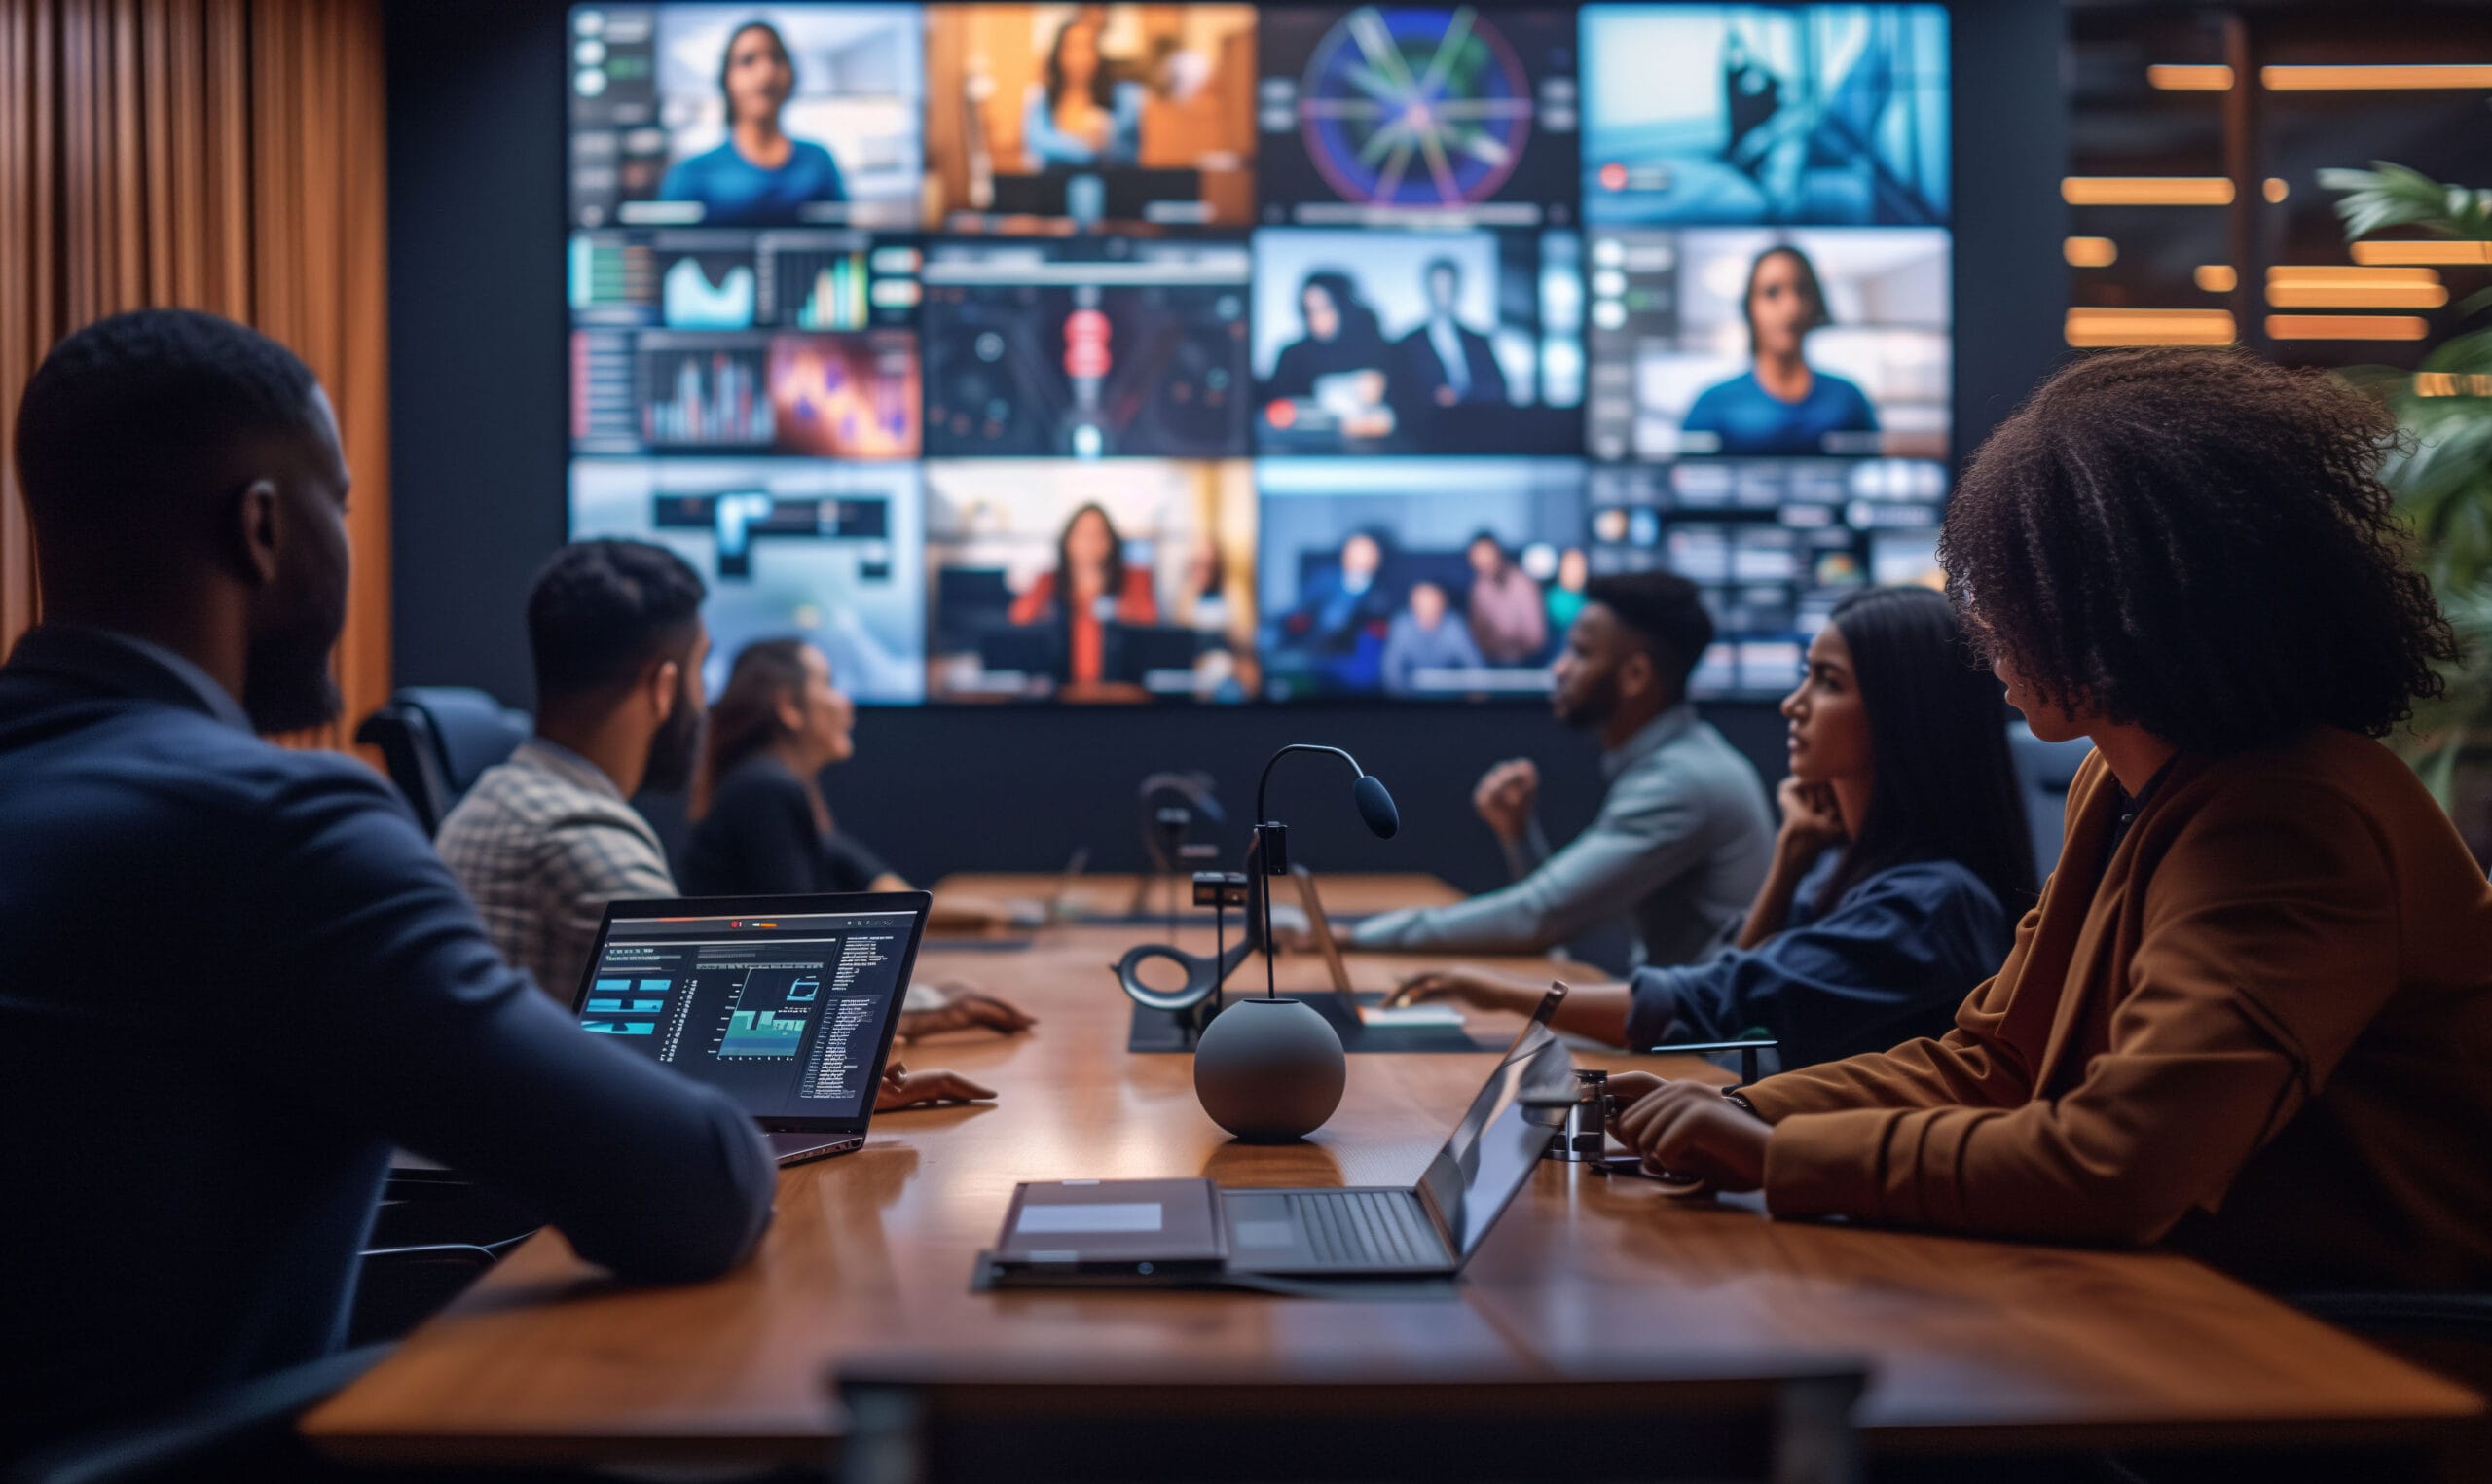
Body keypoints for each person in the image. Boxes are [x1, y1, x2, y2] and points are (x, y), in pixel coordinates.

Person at [0, 309, 774, 1458]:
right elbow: (698, 1185)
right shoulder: (274, 829)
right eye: (342, 506)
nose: (348, 548)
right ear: (262, 529)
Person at [1604, 348, 2492, 1293]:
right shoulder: (2117, 783)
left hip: (2361, 1356)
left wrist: (1777, 1154)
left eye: (2011, 584)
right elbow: (1997, 1059)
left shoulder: (2292, 817)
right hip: (2208, 1303)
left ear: (2119, 605)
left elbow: (2117, 1164)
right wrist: (1741, 1109)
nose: (1984, 623)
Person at [1391, 586, 2033, 1069]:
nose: (1793, 703)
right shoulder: (1857, 874)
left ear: (1904, 717)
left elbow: (1719, 997)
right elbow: (1738, 983)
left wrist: (1495, 990)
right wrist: (1790, 854)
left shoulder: (1928, 904)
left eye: (1827, 682)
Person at [439, 547, 1014, 1067]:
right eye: (698, 670)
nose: (704, 701)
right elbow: (712, 1055)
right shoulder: (588, 843)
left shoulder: (486, 803)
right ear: (665, 686)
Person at [1349, 570, 1776, 967]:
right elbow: (1555, 914)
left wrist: (1349, 939)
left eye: (1581, 653)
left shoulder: (1682, 781)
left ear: (1635, 675)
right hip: (1684, 1033)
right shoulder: (1680, 760)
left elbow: (1536, 919)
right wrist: (1519, 837)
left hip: (1703, 1049)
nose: (1560, 667)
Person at [680, 639, 1044, 1030]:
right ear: (789, 707)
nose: (845, 702)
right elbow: (799, 957)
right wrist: (922, 1011)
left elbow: (894, 895)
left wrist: (1011, 912)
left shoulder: (773, 790)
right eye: (830, 684)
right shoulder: (765, 790)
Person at [1681, 245, 1877, 457]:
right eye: (1772, 292)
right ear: (1750, 307)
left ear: (1815, 304)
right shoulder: (1712, 404)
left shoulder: (1847, 399)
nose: (1791, 307)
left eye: (1802, 291)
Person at [659, 20, 848, 226]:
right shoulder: (691, 172)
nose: (766, 72)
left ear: (791, 75)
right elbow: (656, 250)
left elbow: (847, 242)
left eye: (776, 58)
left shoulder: (818, 161)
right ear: (726, 79)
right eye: (748, 61)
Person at [1006, 501, 1158, 687]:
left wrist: (1110, 599)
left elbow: (1149, 620)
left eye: (1098, 535)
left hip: (1119, 691)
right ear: (1068, 541)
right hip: (1062, 691)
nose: (1090, 543)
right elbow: (1018, 617)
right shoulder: (1049, 580)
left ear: (1111, 542)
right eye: (1083, 535)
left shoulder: (1133, 577)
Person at [1266, 271, 1396, 439]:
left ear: (1343, 305)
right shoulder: (1292, 355)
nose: (1317, 318)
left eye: (1325, 308)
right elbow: (1276, 413)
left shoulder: (1379, 350)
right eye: (1309, 310)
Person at [1275, 528, 1399, 691]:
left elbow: (1383, 629)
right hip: (1318, 651)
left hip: (1359, 656)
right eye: (1355, 551)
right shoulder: (1323, 581)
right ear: (1345, 554)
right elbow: (1301, 612)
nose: (1360, 557)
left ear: (1377, 558)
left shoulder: (1384, 592)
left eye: (1367, 552)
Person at [1021, 11, 1145, 169]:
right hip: (1053, 187)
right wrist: (1087, 148)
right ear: (1058, 54)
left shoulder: (1122, 95)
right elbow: (1038, 143)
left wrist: (1108, 136)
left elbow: (1130, 150)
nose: (1081, 57)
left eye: (1088, 47)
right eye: (1072, 48)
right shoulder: (1041, 98)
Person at [1394, 257, 1508, 409]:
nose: (1442, 295)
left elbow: (1498, 387)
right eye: (1438, 288)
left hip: (1478, 420)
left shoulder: (1478, 340)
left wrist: (1463, 398)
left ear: (1457, 289)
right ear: (1428, 289)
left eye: (1447, 287)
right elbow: (1400, 391)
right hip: (1427, 424)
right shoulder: (1408, 343)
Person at [1379, 581, 1485, 695]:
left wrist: (1475, 690)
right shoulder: (1401, 625)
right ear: (1413, 605)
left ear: (1443, 604)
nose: (1428, 609)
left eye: (1433, 603)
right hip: (1410, 694)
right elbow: (1390, 668)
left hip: (1448, 694)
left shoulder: (1454, 625)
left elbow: (1473, 662)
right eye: (1422, 604)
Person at [1461, 531, 1547, 665]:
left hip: (1526, 663)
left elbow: (1536, 638)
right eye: (1477, 556)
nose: (1483, 561)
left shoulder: (1523, 584)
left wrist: (1508, 645)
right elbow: (1477, 635)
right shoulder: (1479, 588)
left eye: (1486, 554)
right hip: (1491, 662)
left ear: (1498, 552)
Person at [1545, 546, 1591, 636]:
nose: (1576, 572)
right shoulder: (1547, 600)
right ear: (1561, 569)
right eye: (1571, 567)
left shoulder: (1589, 604)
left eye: (1580, 567)